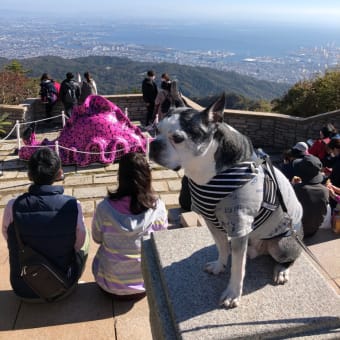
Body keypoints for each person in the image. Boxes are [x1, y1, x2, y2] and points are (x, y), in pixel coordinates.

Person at [1, 148, 89, 302]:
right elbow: (78, 243)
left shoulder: (12, 206)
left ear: (29, 175)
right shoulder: (73, 205)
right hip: (62, 286)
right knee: (85, 239)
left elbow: (7, 236)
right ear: (60, 173)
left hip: (23, 288)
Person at [91, 152, 168, 299]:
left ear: (120, 177)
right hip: (144, 286)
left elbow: (96, 238)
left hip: (107, 286)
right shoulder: (158, 208)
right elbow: (161, 243)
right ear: (147, 177)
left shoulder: (104, 208)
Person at [291, 154, 329, 238]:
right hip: (313, 230)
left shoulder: (297, 189)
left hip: (298, 231)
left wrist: (292, 185)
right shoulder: (325, 190)